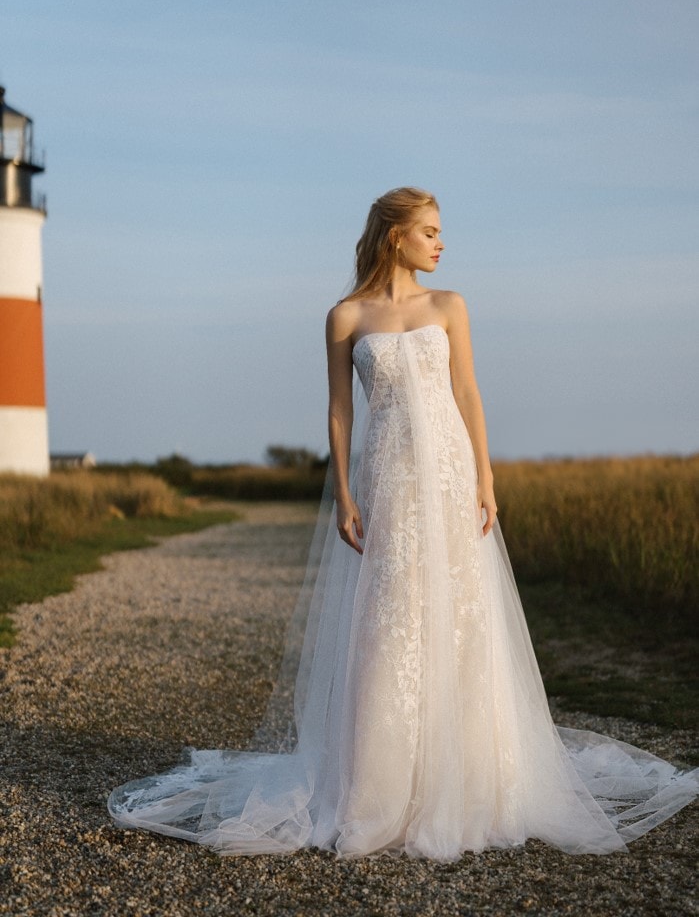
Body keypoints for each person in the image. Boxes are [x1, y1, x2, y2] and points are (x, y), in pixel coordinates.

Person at [108, 186, 697, 861]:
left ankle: (472, 776)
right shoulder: (344, 316)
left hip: (446, 474)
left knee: (459, 609)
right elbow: (338, 411)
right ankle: (381, 781)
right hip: (385, 478)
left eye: (440, 233)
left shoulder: (449, 306)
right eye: (430, 231)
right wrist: (343, 495)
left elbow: (468, 391)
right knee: (391, 615)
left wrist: (485, 474)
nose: (441, 243)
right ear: (395, 236)